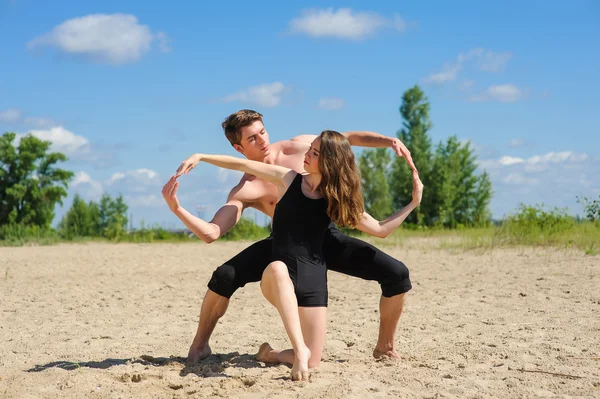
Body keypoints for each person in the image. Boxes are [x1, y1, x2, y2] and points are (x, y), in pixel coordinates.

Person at [162, 130, 423, 381]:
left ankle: (272, 353)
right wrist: (202, 157)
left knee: (313, 361)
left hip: (313, 270)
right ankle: (281, 348)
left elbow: (380, 229)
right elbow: (241, 166)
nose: (307, 155)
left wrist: (413, 203)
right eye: (310, 149)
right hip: (280, 267)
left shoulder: (337, 199)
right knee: (268, 269)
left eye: (315, 153)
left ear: (329, 161)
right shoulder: (289, 178)